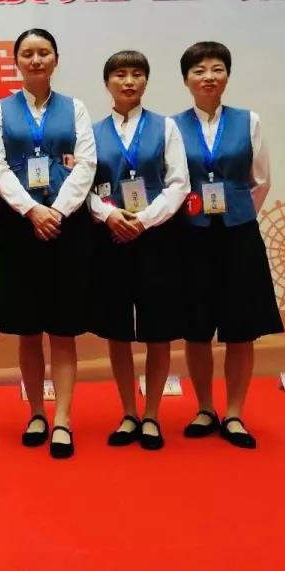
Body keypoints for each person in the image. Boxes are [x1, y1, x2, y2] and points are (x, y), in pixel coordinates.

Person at [0, 28, 96, 459]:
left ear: (55, 59)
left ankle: (63, 418)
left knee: (63, 330)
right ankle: (35, 413)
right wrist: (32, 210)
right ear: (16, 61)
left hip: (66, 226)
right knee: (27, 329)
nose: (35, 60)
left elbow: (86, 165)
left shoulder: (76, 109)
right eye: (27, 53)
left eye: (43, 52)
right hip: (19, 226)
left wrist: (57, 212)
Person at [174, 41, 283, 449]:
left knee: (241, 329)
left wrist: (236, 212)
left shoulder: (248, 121)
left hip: (238, 235)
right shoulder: (172, 127)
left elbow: (261, 180)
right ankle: (205, 408)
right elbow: (172, 182)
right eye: (199, 70)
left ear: (227, 76)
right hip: (190, 236)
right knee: (196, 329)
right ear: (186, 79)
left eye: (217, 69)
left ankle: (234, 413)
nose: (208, 77)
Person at [87, 50, 189, 451]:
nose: (128, 81)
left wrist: (143, 220)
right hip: (110, 237)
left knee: (157, 329)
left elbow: (178, 183)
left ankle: (152, 415)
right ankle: (128, 412)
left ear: (146, 80)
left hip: (157, 238)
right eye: (120, 74)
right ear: (107, 83)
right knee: (117, 330)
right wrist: (109, 216)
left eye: (136, 74)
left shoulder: (166, 127)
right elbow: (82, 186)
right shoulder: (91, 131)